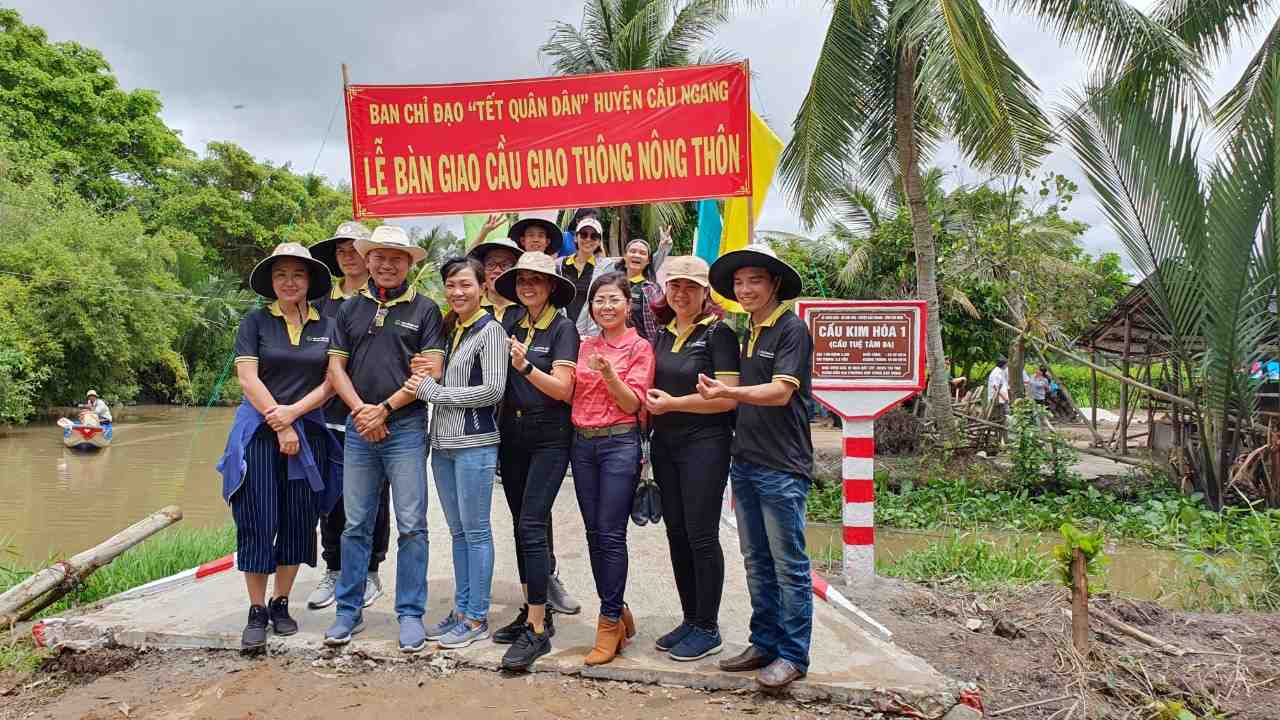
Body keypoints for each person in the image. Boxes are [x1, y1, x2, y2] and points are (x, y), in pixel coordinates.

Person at [323, 225, 445, 653]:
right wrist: (362, 410)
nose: (387, 265)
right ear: (368, 260)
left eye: (396, 258)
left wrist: (385, 409)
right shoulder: (349, 308)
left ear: (409, 263)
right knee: (355, 524)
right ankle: (348, 610)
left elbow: (431, 371)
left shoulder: (426, 309)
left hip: (406, 428)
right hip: (359, 428)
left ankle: (410, 613)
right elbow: (335, 369)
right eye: (379, 256)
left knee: (412, 526)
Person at [697, 243, 813, 690]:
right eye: (739, 282)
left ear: (774, 284)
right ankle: (764, 643)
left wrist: (727, 393)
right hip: (745, 461)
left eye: (755, 281)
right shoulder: (750, 329)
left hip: (782, 465)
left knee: (789, 566)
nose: (745, 289)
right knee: (756, 562)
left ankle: (793, 655)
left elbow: (780, 392)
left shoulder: (791, 329)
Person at [217, 242, 341, 653]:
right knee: (257, 517)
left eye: (298, 274)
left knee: (298, 518)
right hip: (258, 430)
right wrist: (280, 420)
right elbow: (247, 379)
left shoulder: (329, 324)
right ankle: (256, 610)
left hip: (308, 430)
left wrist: (294, 416)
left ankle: (281, 602)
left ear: (310, 281)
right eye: (281, 274)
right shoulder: (255, 322)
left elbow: (332, 380)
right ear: (271, 281)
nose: (289, 282)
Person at [469, 233, 580, 616]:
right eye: (521, 280)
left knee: (532, 522)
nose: (527, 286)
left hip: (550, 434)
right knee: (522, 523)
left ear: (551, 286)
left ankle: (539, 611)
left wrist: (526, 367)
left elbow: (564, 389)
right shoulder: (513, 322)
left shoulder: (563, 328)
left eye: (536, 280)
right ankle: (532, 601)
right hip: (512, 434)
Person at [403, 257, 508, 649]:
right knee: (459, 533)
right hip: (444, 446)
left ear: (482, 287)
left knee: (476, 533)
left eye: (466, 284)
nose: (457, 291)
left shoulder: (491, 331)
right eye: (451, 284)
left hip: (475, 445)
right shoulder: (452, 329)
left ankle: (477, 617)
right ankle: (462, 609)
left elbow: (493, 390)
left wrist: (435, 392)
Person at [643, 256, 739, 662]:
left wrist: (674, 404)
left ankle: (708, 627)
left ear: (705, 292)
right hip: (665, 445)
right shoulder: (662, 334)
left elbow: (727, 399)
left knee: (701, 534)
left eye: (690, 287)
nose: (681, 294)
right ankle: (690, 618)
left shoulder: (719, 333)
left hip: (705, 444)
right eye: (675, 286)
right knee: (677, 533)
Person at [306, 221, 391, 611]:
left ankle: (371, 570)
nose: (348, 256)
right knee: (332, 499)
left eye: (356, 249)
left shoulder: (385, 299)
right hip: (330, 416)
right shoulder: (319, 304)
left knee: (374, 499)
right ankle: (335, 569)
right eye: (341, 250)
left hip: (377, 416)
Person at [571, 271, 654, 666]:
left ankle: (607, 623)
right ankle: (617, 610)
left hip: (619, 443)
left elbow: (632, 404)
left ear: (628, 304)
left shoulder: (639, 347)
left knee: (610, 533)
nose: (606, 306)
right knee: (592, 534)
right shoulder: (583, 344)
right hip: (581, 444)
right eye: (599, 300)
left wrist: (608, 373)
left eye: (613, 299)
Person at [558, 214, 604, 324]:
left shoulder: (604, 269)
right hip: (561, 326)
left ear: (599, 242)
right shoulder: (558, 265)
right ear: (575, 237)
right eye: (583, 235)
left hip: (591, 329)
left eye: (594, 236)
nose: (588, 239)